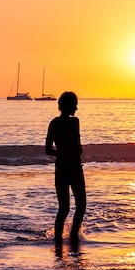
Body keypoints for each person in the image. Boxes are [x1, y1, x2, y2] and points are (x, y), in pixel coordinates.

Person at [45, 91, 86, 245]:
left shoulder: (60, 122)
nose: (76, 108)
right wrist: (67, 153)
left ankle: (67, 239)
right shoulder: (69, 122)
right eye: (74, 105)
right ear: (70, 106)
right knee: (72, 207)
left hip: (67, 166)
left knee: (69, 207)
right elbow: (49, 149)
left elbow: (49, 150)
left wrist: (65, 152)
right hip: (70, 166)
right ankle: (67, 238)